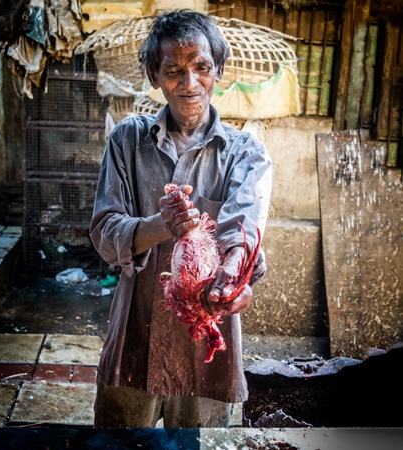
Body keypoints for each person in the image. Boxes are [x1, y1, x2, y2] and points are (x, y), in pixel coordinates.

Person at [90, 9, 272, 428]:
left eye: (202, 68)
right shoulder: (127, 140)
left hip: (207, 348)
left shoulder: (246, 153)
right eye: (173, 70)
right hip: (135, 334)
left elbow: (242, 231)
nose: (189, 84)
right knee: (120, 439)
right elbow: (103, 232)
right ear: (154, 75)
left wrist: (233, 277)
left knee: (199, 442)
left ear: (219, 70)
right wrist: (160, 225)